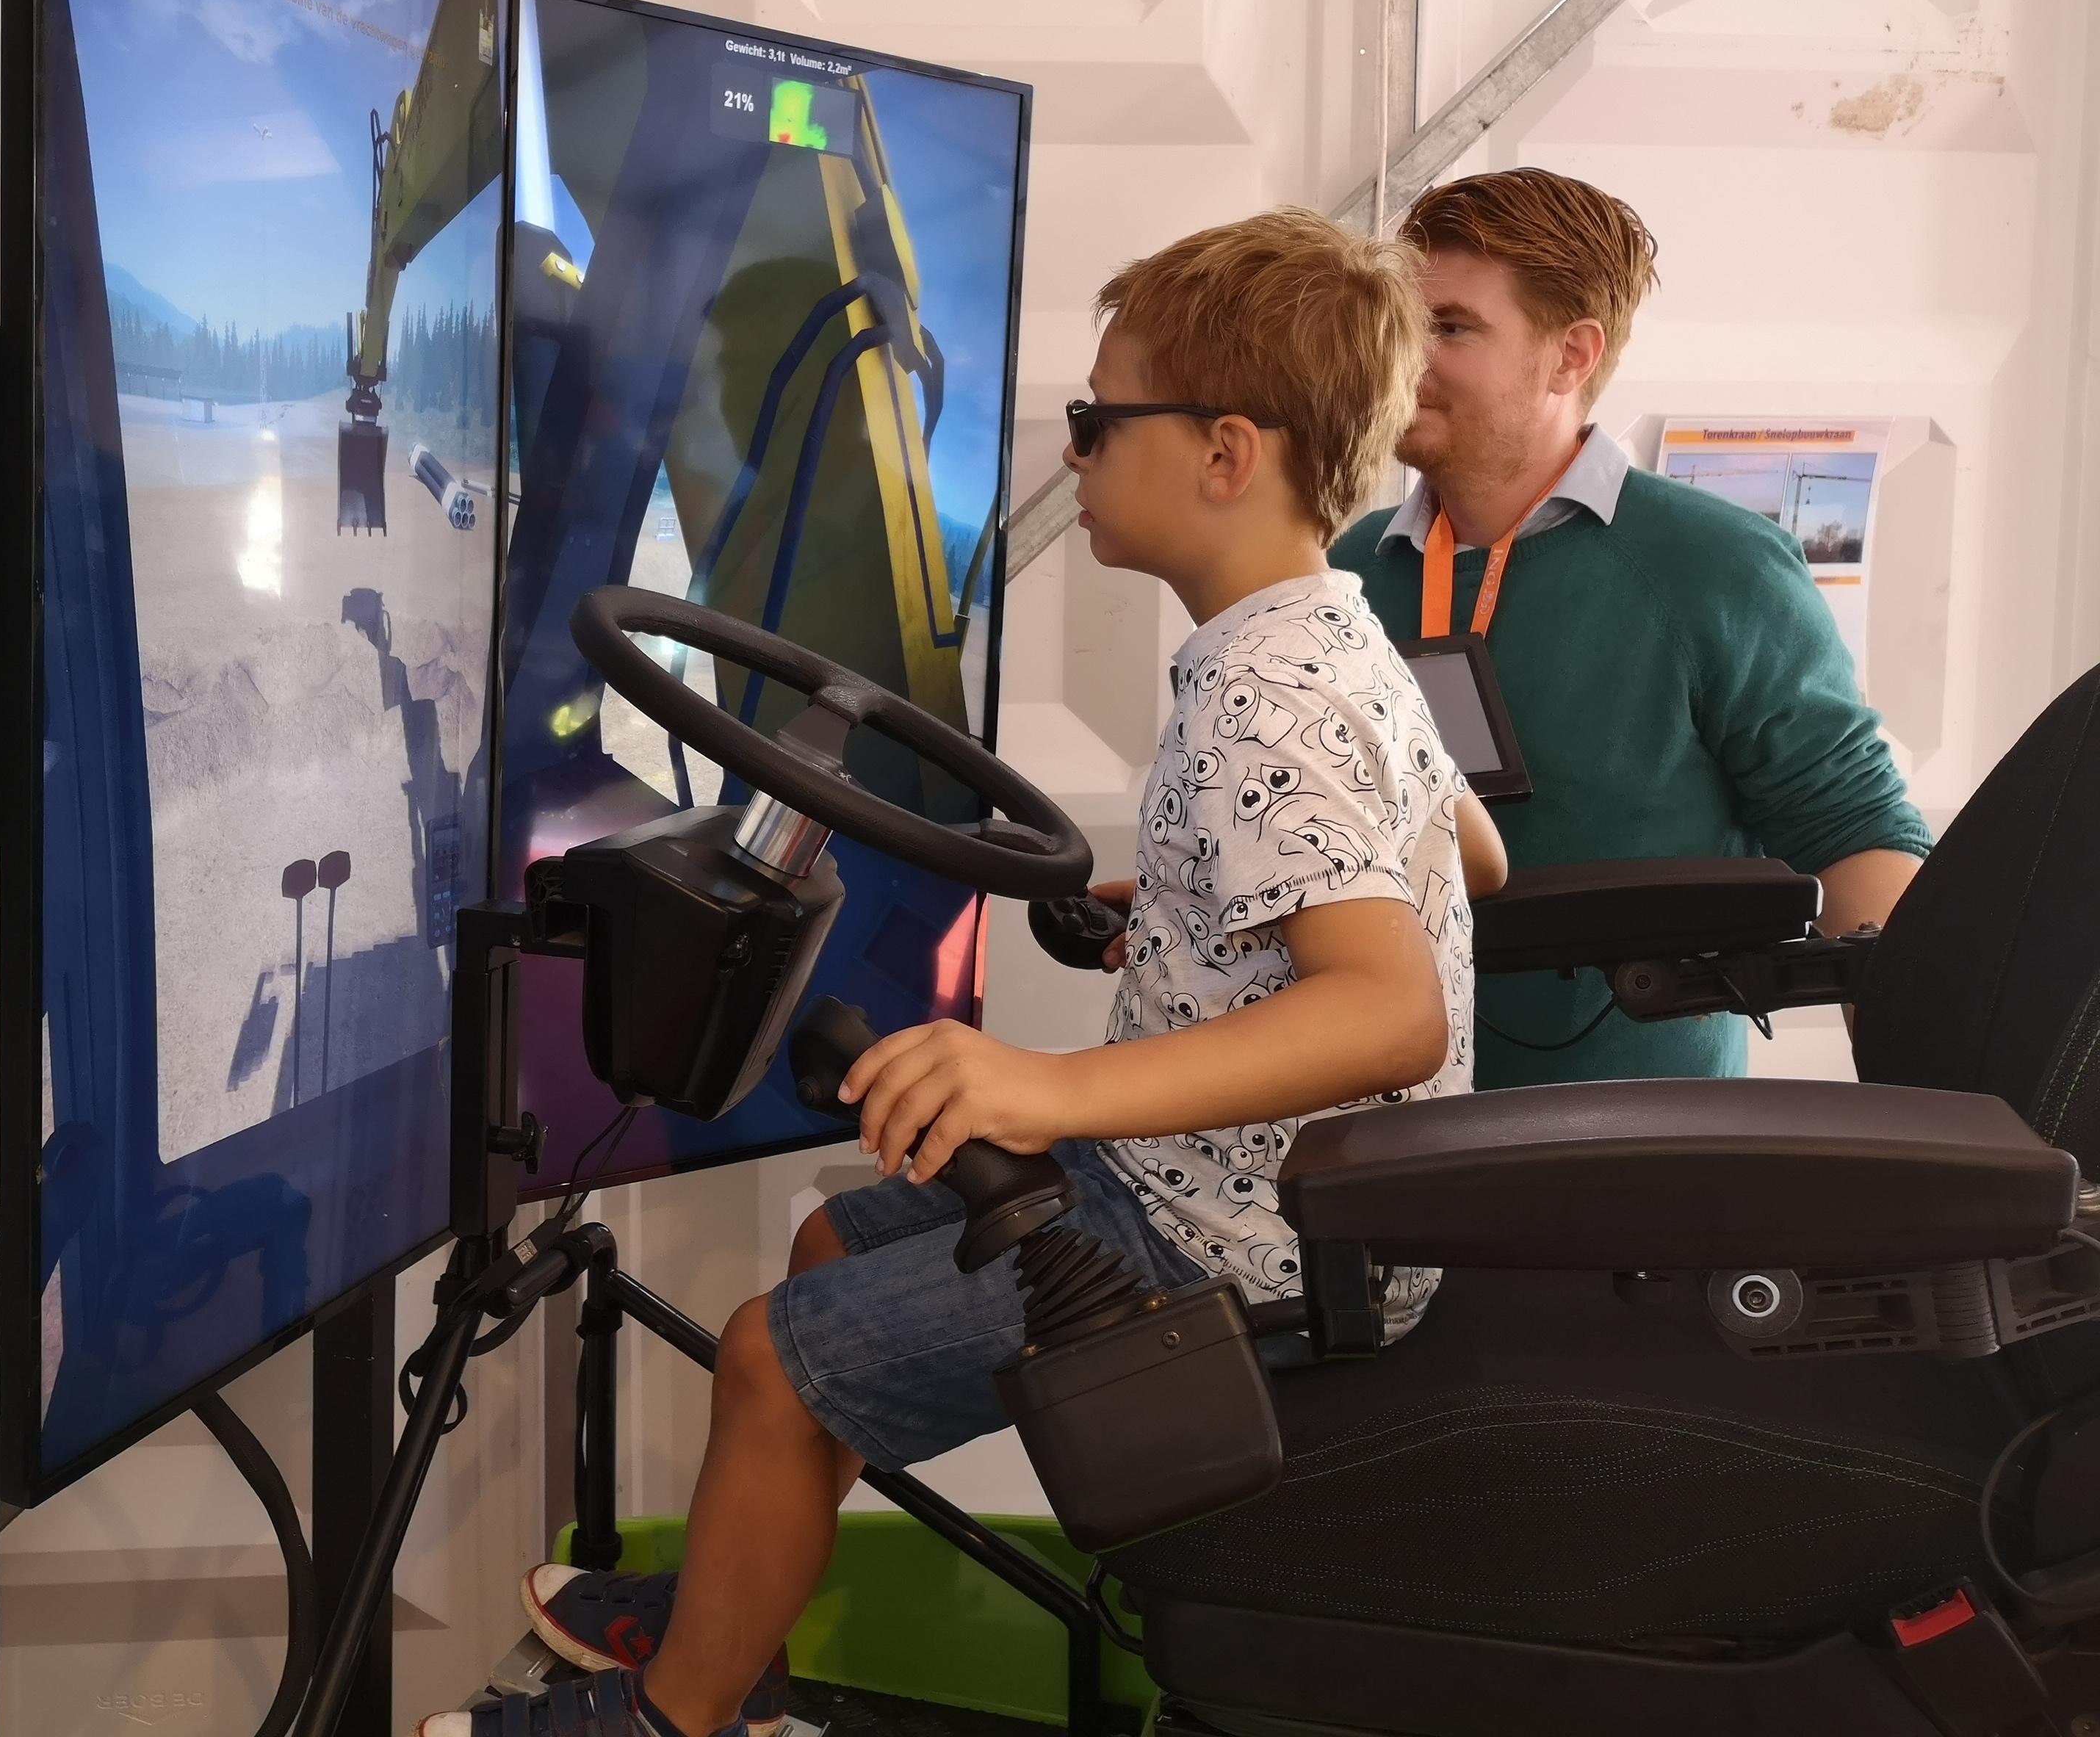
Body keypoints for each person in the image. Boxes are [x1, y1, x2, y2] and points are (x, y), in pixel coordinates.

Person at [424, 208, 1504, 1737]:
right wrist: (1193, 913)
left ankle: (678, 1717)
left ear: (1224, 454)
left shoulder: (1264, 693)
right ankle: (735, 1617)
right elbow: (1468, 858)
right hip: (1227, 1187)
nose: (1074, 450)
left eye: (1099, 419)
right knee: (827, 1249)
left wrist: (1046, 1085)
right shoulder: (1338, 637)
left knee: (769, 1360)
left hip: (1236, 1240)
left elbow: (1391, 1009)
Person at [1331, 167, 1931, 1088]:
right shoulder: (1351, 568)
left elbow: (1853, 830)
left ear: (1570, 357)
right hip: (1376, 1123)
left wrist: (1930, 1088)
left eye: (1450, 328)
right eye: (1401, 325)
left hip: (1637, 1146)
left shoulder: (1717, 564)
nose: (1405, 357)